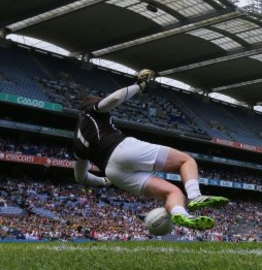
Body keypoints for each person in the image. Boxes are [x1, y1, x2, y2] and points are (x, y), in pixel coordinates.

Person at [72, 69, 229, 231]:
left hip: (112, 173)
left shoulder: (77, 142)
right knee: (186, 161)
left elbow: (80, 177)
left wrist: (103, 181)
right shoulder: (91, 112)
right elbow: (115, 98)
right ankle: (195, 196)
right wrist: (140, 85)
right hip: (122, 149)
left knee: (173, 192)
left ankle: (181, 214)